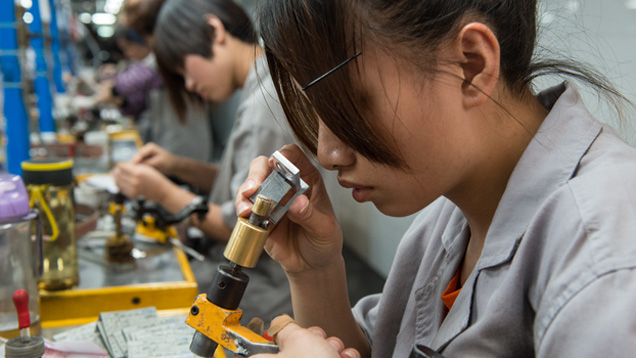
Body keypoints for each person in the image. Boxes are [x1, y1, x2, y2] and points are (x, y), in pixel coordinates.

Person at [234, 1, 636, 357]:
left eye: (350, 105)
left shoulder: (604, 263)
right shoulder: (449, 213)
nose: (327, 153)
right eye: (319, 111)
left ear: (470, 66)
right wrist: (314, 271)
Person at [112, 0, 295, 322]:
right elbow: (243, 189)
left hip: (263, 292)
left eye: (184, 68)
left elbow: (238, 223)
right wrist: (176, 165)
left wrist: (164, 193)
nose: (190, 85)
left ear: (215, 31)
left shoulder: (267, 104)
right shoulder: (258, 90)